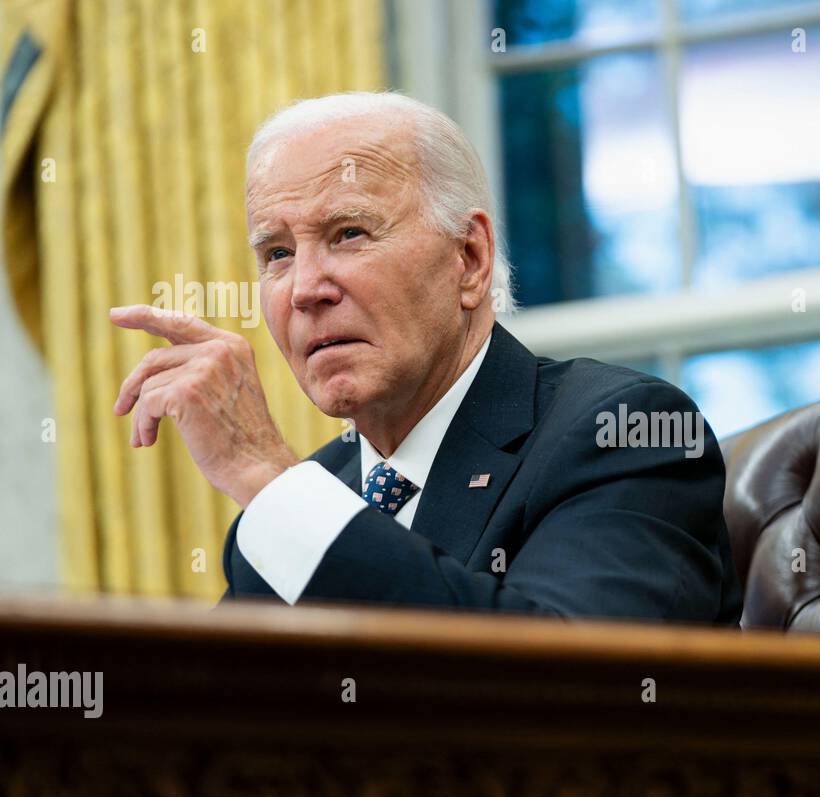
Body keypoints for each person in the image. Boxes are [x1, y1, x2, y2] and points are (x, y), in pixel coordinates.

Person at [109, 92, 742, 623]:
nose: (304, 289)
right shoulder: (297, 508)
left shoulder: (623, 435)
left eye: (349, 234)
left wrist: (260, 471)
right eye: (276, 254)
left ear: (469, 260)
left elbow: (564, 690)